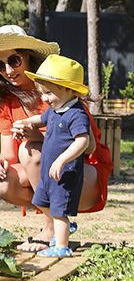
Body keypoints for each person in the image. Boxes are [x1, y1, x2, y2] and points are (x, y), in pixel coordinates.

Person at [0, 25, 113, 252]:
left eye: (14, 60)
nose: (8, 70)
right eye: (0, 65)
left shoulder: (57, 92)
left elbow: (88, 147)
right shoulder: (6, 102)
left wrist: (40, 138)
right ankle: (61, 224)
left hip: (82, 174)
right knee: (3, 182)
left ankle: (51, 228)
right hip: (49, 176)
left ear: (29, 58)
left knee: (29, 149)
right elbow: (9, 154)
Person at [13, 54, 90, 257]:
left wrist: (62, 159)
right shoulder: (55, 109)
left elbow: (83, 141)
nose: (44, 98)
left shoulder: (76, 114)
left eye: (48, 93)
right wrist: (25, 122)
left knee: (58, 211)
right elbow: (41, 118)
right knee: (40, 202)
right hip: (49, 171)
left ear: (68, 89)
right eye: (42, 93)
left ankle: (62, 247)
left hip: (65, 172)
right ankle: (65, 226)